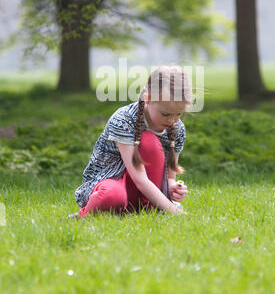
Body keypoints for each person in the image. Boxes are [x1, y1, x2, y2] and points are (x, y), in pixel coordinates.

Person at [70, 65, 192, 218]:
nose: (172, 120)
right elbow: (139, 179)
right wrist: (174, 212)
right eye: (165, 114)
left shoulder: (177, 128)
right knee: (112, 195)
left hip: (146, 188)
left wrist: (173, 187)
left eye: (179, 114)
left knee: (151, 143)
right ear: (147, 99)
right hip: (111, 181)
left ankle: (146, 208)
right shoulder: (124, 120)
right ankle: (82, 215)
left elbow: (169, 177)